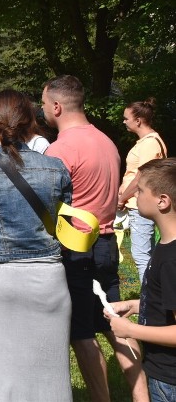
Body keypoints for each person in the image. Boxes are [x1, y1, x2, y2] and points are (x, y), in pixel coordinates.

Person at [0, 89, 73, 400]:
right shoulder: (56, 167)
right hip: (47, 275)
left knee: (1, 375)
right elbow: (67, 227)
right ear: (31, 120)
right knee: (51, 372)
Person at [42, 75, 147, 402]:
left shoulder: (59, 149)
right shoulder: (107, 141)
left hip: (76, 250)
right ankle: (143, 397)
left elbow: (49, 207)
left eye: (44, 105)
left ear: (57, 106)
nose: (43, 110)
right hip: (107, 243)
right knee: (116, 320)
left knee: (82, 333)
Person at [106, 158, 176, 402]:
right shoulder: (165, 245)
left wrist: (131, 330)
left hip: (169, 380)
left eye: (141, 190)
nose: (134, 195)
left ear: (162, 201)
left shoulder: (171, 259)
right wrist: (134, 305)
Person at [118, 98, 168, 278]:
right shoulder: (148, 141)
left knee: (141, 255)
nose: (124, 121)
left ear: (138, 120)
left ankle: (149, 300)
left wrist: (122, 198)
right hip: (136, 203)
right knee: (147, 254)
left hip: (141, 205)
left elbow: (143, 176)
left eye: (126, 118)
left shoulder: (150, 143)